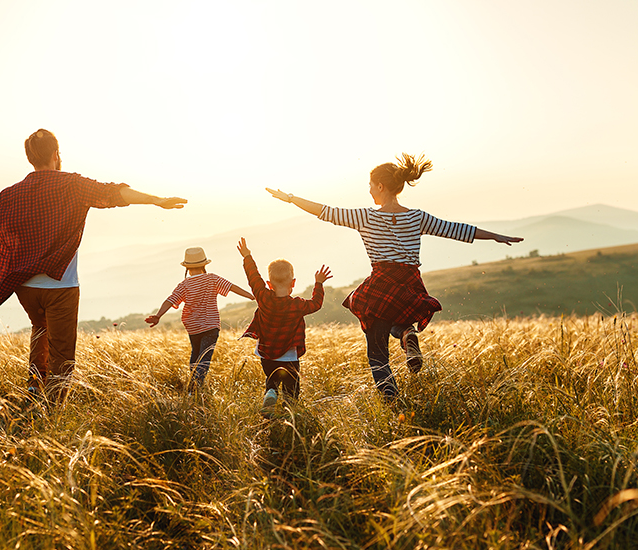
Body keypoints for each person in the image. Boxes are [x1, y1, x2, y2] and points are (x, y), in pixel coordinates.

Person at [0, 128, 187, 401]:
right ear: (56, 154)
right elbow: (114, 193)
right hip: (61, 286)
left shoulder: (10, 195)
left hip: (25, 288)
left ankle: (34, 388)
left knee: (40, 330)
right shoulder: (73, 185)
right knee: (62, 353)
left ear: (30, 158)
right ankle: (52, 408)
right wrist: (156, 200)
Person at [266, 153, 523, 400]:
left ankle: (391, 400)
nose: (368, 190)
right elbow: (455, 229)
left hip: (381, 282)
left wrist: (290, 198)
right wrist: (496, 236)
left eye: (370, 185)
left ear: (380, 186)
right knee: (395, 319)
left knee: (377, 354)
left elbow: (325, 211)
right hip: (410, 283)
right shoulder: (417, 217)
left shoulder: (366, 216)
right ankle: (406, 334)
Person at [236, 237, 332, 415]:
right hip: (289, 356)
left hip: (266, 354)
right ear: (293, 283)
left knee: (271, 380)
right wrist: (318, 284)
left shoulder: (263, 297)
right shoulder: (297, 305)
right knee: (291, 387)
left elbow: (253, 277)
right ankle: (289, 412)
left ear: (269, 284)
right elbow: (316, 304)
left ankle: (271, 392)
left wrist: (247, 256)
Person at [145, 247, 254, 391]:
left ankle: (193, 386)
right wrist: (252, 296)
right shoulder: (212, 279)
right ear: (204, 265)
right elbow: (232, 287)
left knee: (195, 355)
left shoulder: (184, 285)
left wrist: (158, 316)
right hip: (210, 326)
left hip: (193, 327)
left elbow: (170, 300)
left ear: (187, 268)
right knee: (205, 358)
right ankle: (195, 388)